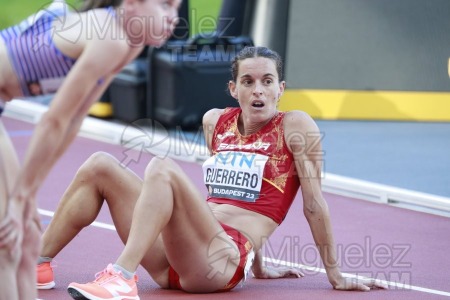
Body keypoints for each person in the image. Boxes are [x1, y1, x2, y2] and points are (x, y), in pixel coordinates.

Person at [35, 46, 387, 300]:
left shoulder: (295, 126)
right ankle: (36, 264)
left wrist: (335, 274)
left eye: (267, 81)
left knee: (162, 167)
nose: (258, 90)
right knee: (100, 164)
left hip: (219, 264)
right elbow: (236, 195)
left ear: (281, 89)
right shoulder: (215, 121)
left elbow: (313, 205)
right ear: (234, 89)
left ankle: (122, 278)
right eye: (248, 81)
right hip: (173, 260)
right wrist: (262, 267)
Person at [0, 0, 181, 299]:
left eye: (177, 8)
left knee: (29, 238)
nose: (173, 18)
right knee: (8, 244)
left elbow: (72, 121)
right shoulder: (110, 38)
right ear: (132, 4)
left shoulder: (130, 43)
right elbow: (53, 120)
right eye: (165, 5)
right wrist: (20, 197)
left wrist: (28, 192)